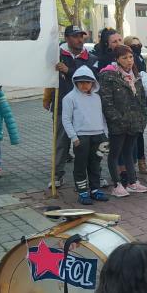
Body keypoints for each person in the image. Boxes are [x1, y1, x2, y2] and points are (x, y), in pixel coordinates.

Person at [50, 25, 99, 189]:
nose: (80, 39)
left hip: (86, 109)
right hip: (62, 106)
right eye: (75, 36)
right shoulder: (55, 55)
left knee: (87, 145)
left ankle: (93, 176)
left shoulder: (91, 58)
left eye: (81, 36)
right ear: (67, 38)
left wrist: (69, 71)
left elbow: (91, 78)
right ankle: (57, 175)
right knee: (61, 143)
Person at [99, 46, 147, 198]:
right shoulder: (108, 75)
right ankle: (117, 184)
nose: (129, 61)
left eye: (131, 57)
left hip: (134, 122)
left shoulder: (135, 75)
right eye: (124, 58)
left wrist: (143, 116)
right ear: (117, 59)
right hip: (118, 123)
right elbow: (107, 102)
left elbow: (141, 99)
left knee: (129, 151)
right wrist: (116, 119)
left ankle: (132, 182)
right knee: (114, 153)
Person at [61, 66, 110, 205]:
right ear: (75, 82)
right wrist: (73, 137)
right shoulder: (69, 98)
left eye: (87, 82)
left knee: (95, 164)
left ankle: (95, 190)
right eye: (81, 82)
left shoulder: (97, 98)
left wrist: (105, 134)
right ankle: (82, 192)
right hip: (81, 138)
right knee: (80, 165)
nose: (84, 85)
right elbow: (66, 119)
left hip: (99, 136)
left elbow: (102, 117)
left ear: (93, 83)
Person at [123, 36, 147, 175]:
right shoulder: (126, 60)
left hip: (141, 100)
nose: (137, 46)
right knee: (130, 136)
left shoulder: (139, 58)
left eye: (139, 44)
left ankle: (141, 160)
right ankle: (129, 163)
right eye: (133, 45)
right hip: (128, 102)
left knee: (140, 134)